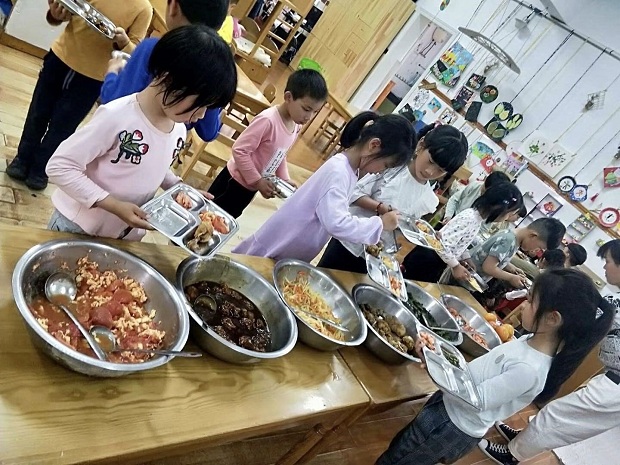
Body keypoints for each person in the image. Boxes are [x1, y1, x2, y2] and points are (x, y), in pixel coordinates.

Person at [376, 268, 615, 465]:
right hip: (450, 405)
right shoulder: (528, 341)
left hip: (453, 425)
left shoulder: (529, 369)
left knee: (400, 459)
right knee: (401, 448)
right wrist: (439, 354)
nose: (523, 305)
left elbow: (475, 399)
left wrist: (433, 367)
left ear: (552, 318)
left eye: (531, 301)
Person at [45, 26, 236, 241]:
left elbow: (153, 164)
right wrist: (114, 205)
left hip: (121, 235)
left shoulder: (178, 128)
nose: (201, 115)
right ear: (169, 78)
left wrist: (179, 188)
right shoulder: (117, 116)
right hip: (77, 228)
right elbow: (59, 166)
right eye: (200, 104)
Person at [479, 239, 620, 465]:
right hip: (611, 375)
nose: (604, 266)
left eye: (609, 261)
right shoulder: (612, 301)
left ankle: (513, 454)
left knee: (559, 415)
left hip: (616, 385)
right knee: (559, 412)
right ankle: (522, 439)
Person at [6, 0, 153, 191]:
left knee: (64, 126)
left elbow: (135, 52)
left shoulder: (143, 8)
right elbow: (63, 14)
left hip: (92, 78)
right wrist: (55, 14)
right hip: (60, 58)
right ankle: (22, 158)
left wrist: (124, 42)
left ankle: (41, 168)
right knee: (38, 113)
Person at [232, 112, 415, 262]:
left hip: (292, 244)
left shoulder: (349, 170)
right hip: (280, 243)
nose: (380, 172)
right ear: (373, 146)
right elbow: (336, 223)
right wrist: (380, 224)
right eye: (385, 165)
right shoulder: (339, 172)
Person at [317, 123, 468, 274]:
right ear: (421, 145)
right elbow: (354, 194)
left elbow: (406, 227)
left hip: (377, 255)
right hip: (349, 239)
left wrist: (424, 236)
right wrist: (381, 208)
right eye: (430, 162)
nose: (430, 172)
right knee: (323, 275)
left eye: (440, 170)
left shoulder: (429, 200)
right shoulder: (391, 166)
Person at [100, 0, 229, 144]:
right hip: (163, 146)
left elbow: (113, 101)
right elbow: (208, 132)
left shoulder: (152, 48)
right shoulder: (215, 68)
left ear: (173, 6)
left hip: (119, 141)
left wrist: (111, 74)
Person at [209, 69, 327, 218]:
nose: (309, 117)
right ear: (288, 97)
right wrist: (258, 181)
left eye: (315, 112)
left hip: (250, 187)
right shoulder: (268, 120)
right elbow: (239, 150)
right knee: (208, 216)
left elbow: (280, 154)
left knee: (226, 221)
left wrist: (284, 179)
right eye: (306, 109)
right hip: (233, 182)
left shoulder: (296, 125)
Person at [402, 183, 524, 283]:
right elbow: (441, 245)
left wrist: (466, 258)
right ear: (498, 208)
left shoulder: (477, 220)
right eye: (510, 213)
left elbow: (460, 242)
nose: (508, 218)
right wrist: (456, 266)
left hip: (437, 260)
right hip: (427, 259)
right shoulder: (470, 219)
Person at [468, 218, 566, 287]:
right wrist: (511, 278)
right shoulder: (508, 240)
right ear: (533, 236)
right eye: (539, 247)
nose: (536, 251)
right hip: (468, 276)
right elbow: (488, 267)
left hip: (472, 278)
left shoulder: (514, 239)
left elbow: (493, 257)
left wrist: (511, 267)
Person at [443, 170, 511, 221]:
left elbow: (483, 227)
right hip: (454, 217)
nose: (483, 193)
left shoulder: (494, 206)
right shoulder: (476, 185)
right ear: (485, 180)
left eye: (487, 193)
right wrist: (448, 216)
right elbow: (454, 199)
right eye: (483, 190)